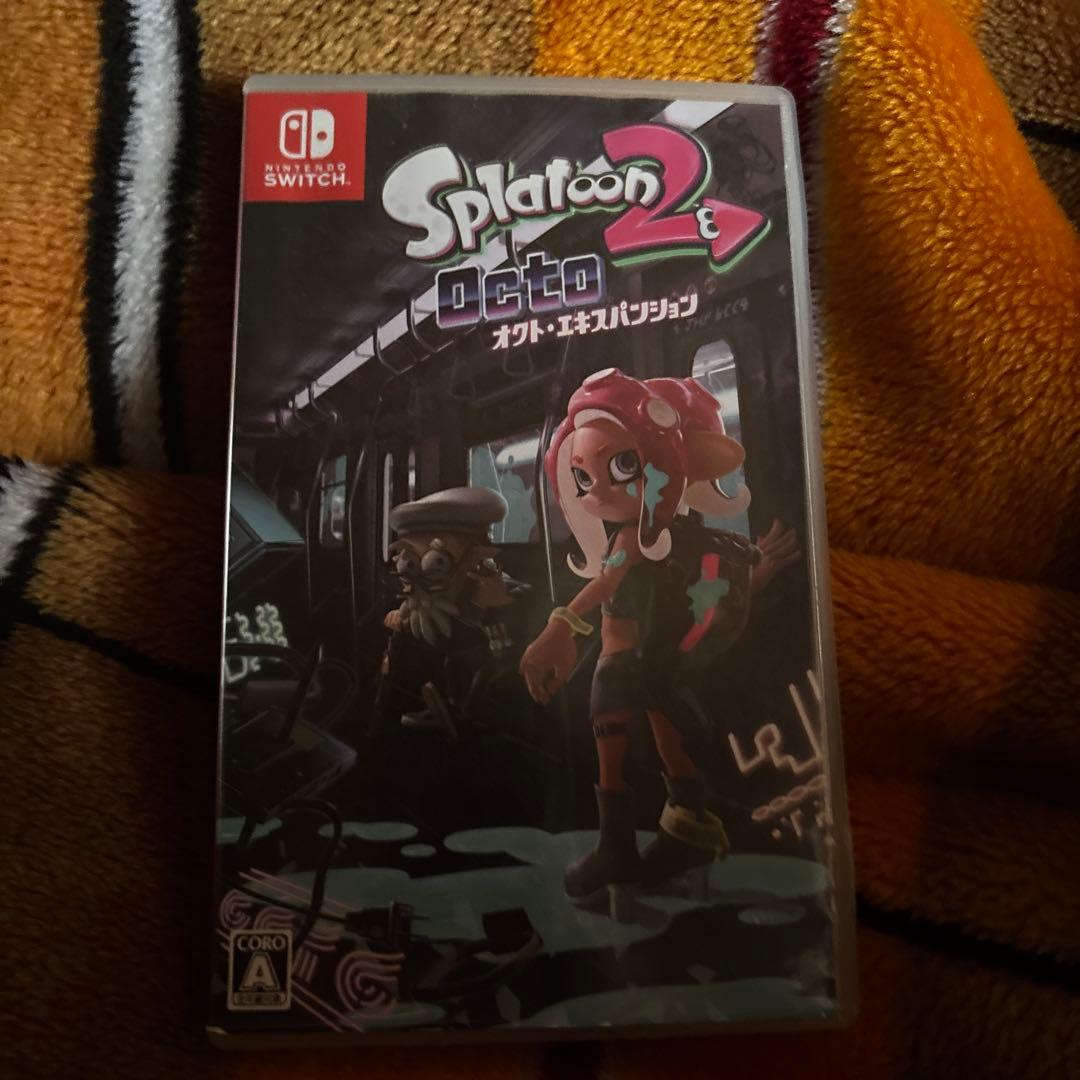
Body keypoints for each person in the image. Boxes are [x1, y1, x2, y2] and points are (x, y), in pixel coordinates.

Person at [520, 368, 799, 912]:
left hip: (622, 666)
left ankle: (618, 850)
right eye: (581, 477)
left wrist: (558, 626)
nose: (596, 492)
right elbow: (716, 595)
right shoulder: (693, 538)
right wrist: (759, 574)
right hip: (664, 667)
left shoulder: (631, 537)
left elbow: (606, 584)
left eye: (622, 466)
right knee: (673, 750)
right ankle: (687, 838)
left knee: (613, 754)